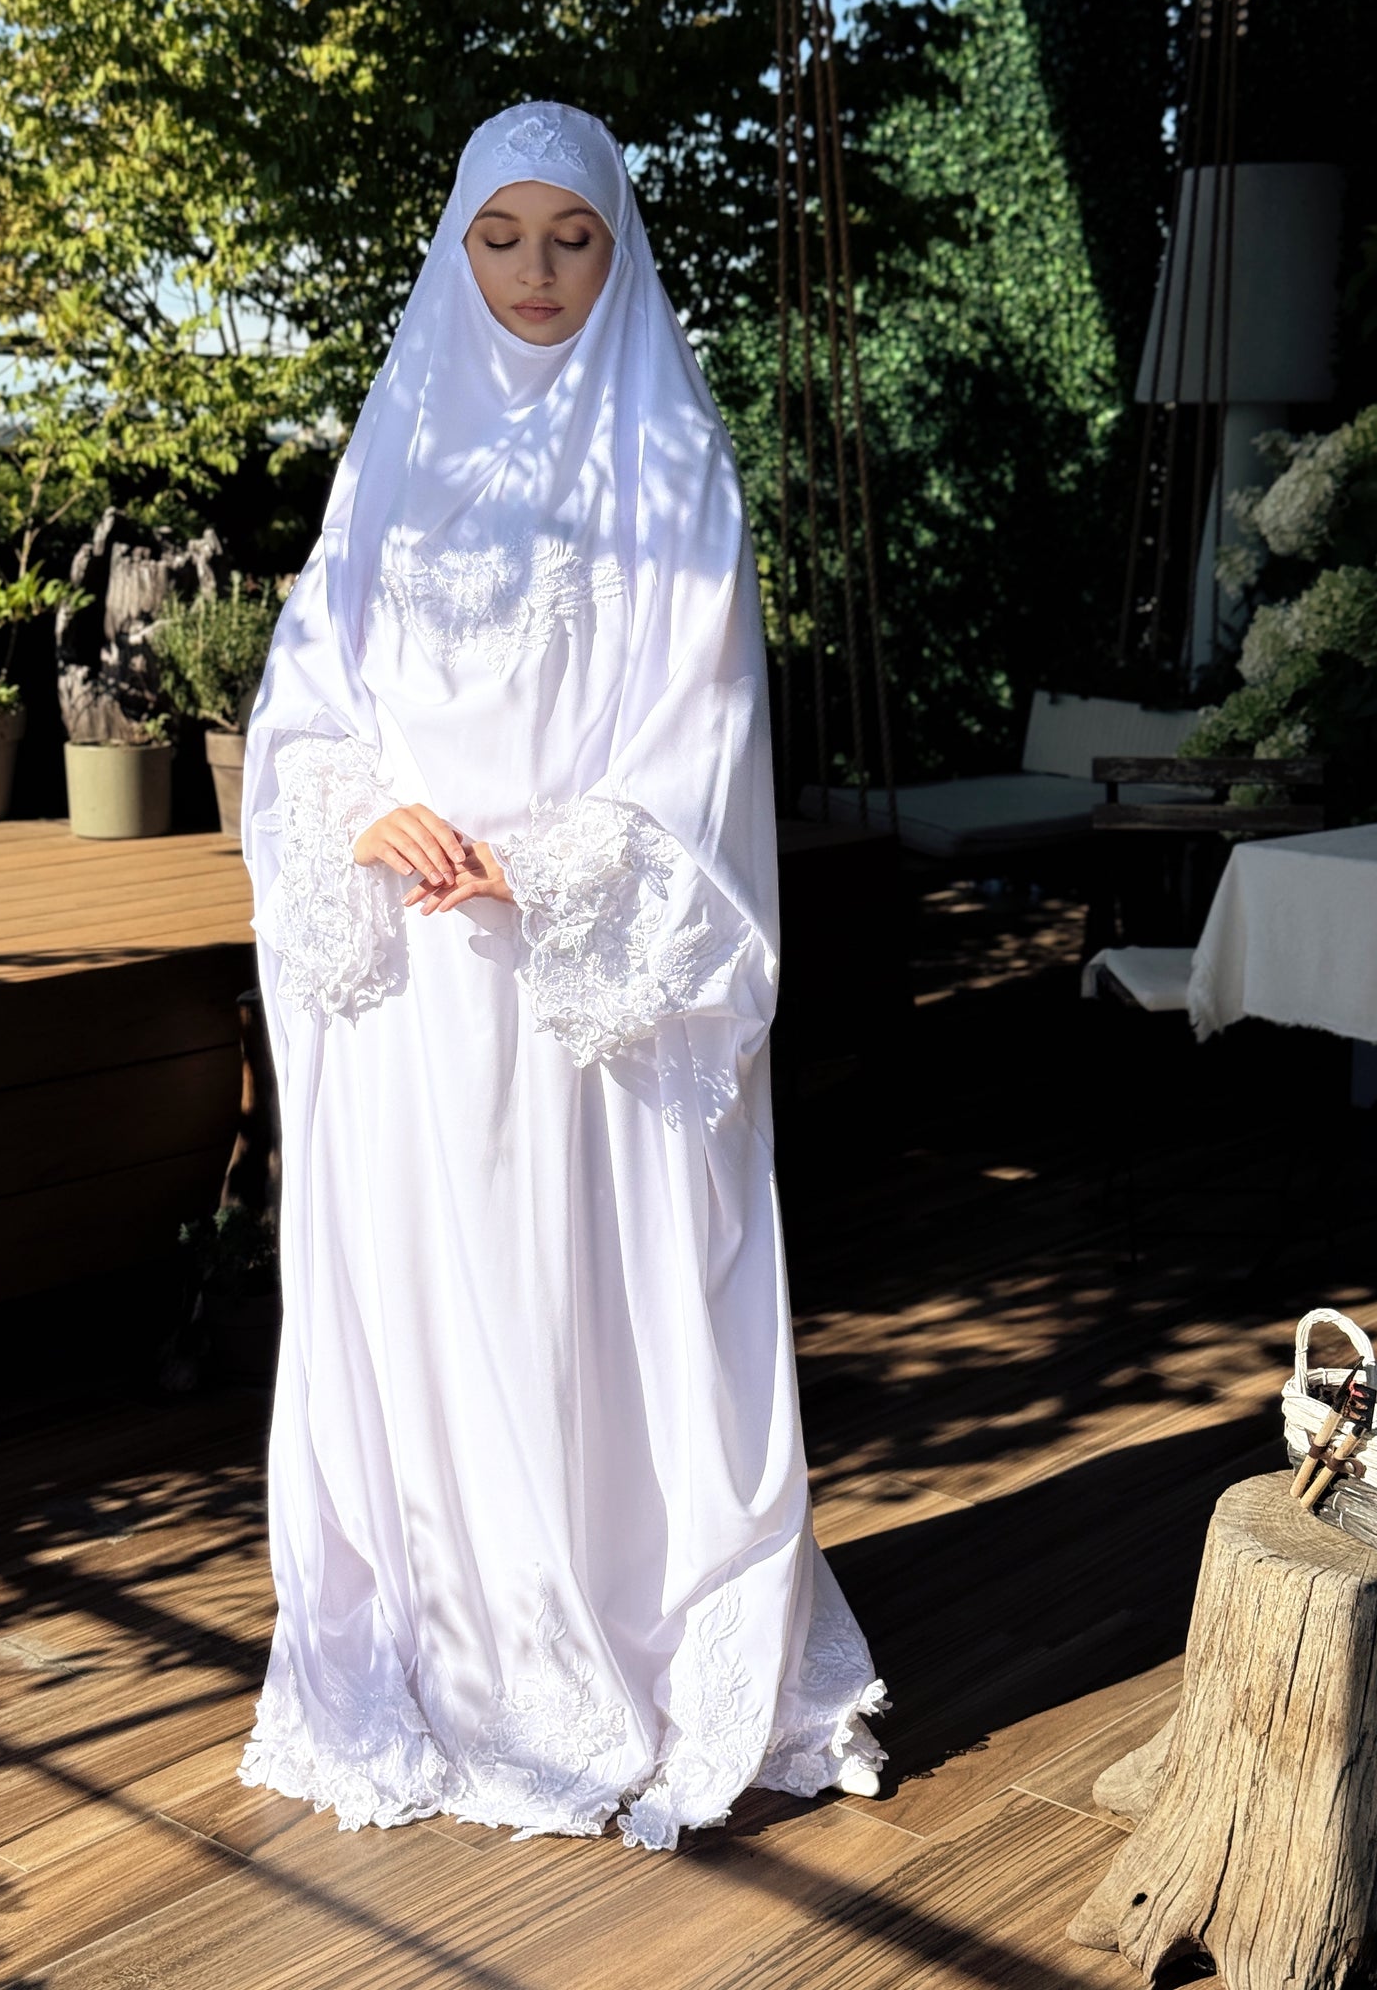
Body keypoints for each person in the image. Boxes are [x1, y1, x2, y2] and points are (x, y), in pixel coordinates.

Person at [237, 100, 885, 1852]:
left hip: (573, 972)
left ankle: (619, 1644)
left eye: (572, 237)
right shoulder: (391, 444)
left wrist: (555, 857)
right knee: (428, 1299)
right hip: (414, 972)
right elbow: (308, 695)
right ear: (458, 247)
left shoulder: (670, 460)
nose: (535, 271)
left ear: (619, 249)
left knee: (577, 1293)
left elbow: (704, 733)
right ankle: (455, 1655)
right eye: (503, 236)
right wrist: (361, 808)